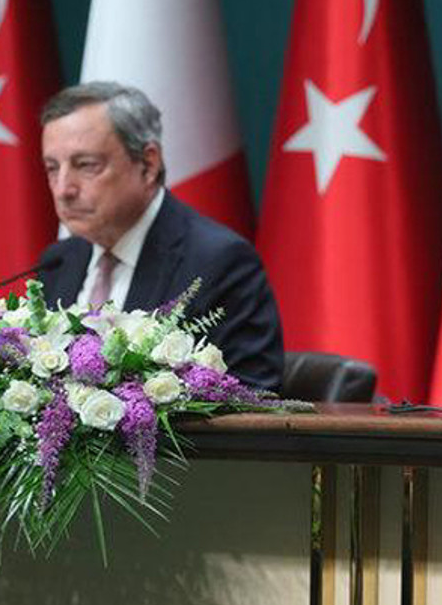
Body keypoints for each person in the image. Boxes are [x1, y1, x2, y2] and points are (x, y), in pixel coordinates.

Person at [36, 81, 284, 391]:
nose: (63, 189)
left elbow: (253, 398)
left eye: (86, 165)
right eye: (52, 168)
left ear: (148, 164)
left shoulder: (219, 263)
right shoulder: (59, 262)